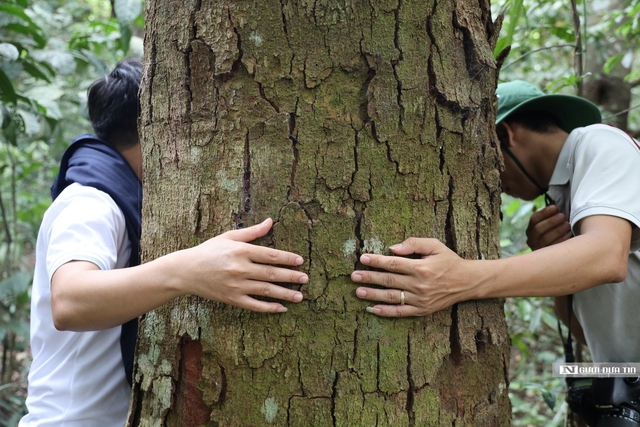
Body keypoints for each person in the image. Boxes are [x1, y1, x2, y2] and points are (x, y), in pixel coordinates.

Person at [20, 57, 308, 427]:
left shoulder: (124, 195)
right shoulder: (89, 201)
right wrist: (188, 270)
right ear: (155, 128)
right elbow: (70, 300)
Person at [351, 79, 640, 363]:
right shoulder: (566, 196)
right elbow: (586, 334)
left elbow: (607, 257)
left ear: (505, 134)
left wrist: (461, 279)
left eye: (487, 161)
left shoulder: (599, 141)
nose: (493, 183)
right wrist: (555, 261)